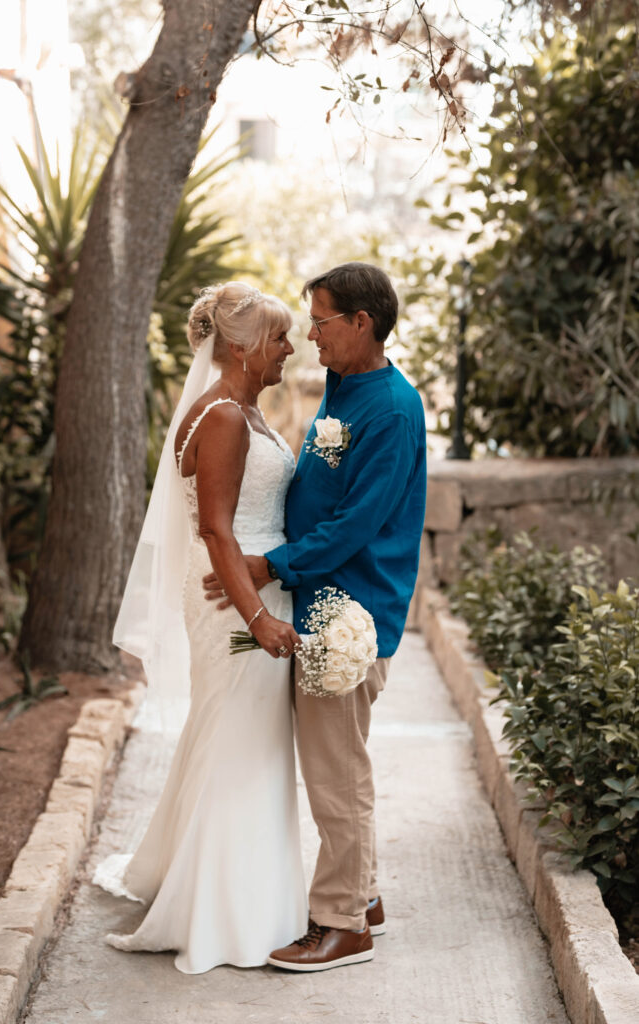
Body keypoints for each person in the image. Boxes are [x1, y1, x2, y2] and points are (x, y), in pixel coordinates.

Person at [205, 262, 427, 971]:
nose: (310, 334)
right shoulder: (345, 384)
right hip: (321, 594)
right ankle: (359, 894)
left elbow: (359, 523)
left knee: (336, 771)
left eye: (322, 319)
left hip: (348, 612)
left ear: (362, 322)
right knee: (334, 763)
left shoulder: (390, 410)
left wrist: (272, 565)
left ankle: (341, 924)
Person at [93, 282, 307, 974]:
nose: (289, 348)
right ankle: (220, 910)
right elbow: (215, 528)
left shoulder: (243, 409)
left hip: (249, 587)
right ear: (242, 347)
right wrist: (260, 616)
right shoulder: (220, 418)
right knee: (238, 740)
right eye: (278, 337)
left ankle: (238, 888)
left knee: (240, 737)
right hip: (234, 602)